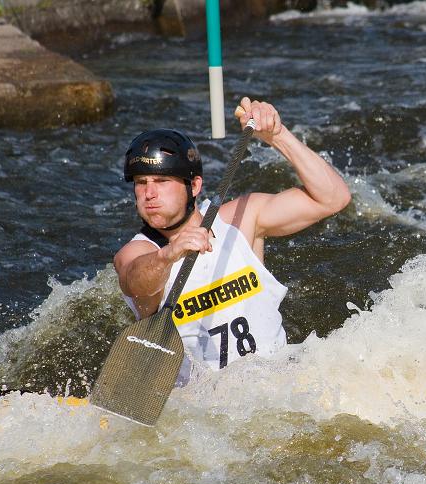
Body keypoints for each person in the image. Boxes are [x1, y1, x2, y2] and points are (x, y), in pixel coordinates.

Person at [115, 96, 351, 384]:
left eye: (162, 181)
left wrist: (278, 136)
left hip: (280, 385)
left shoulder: (242, 218)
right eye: (141, 183)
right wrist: (170, 253)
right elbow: (135, 281)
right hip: (205, 409)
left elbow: (334, 198)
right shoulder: (139, 251)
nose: (149, 193)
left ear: (195, 186)